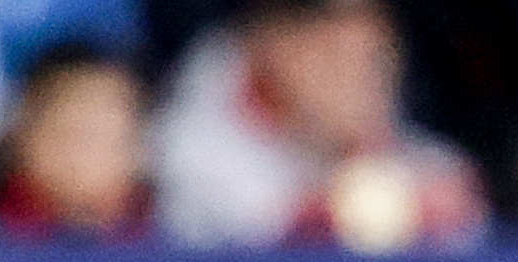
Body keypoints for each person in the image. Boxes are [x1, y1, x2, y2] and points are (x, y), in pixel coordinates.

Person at [152, 0, 487, 249]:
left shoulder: (426, 159)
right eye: (335, 56)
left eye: (374, 59)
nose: (358, 77)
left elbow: (460, 223)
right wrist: (393, 206)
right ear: (276, 44)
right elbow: (255, 235)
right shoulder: (187, 145)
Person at [0, 40, 147, 236]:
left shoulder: (165, 242)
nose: (87, 159)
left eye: (109, 140)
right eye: (77, 135)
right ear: (24, 133)